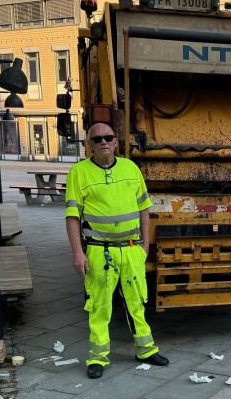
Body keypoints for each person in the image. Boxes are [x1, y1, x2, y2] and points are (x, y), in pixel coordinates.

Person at [65, 122, 169, 378]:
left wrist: (146, 245)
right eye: (96, 138)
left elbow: (144, 209)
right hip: (100, 251)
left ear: (115, 142)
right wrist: (78, 253)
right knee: (99, 306)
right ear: (89, 144)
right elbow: (72, 216)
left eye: (108, 137)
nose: (103, 142)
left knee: (137, 303)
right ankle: (97, 358)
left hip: (132, 249)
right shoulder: (79, 173)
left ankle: (145, 350)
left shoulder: (131, 168)